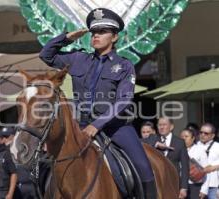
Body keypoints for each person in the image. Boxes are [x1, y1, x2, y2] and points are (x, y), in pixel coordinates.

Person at [39, 7, 156, 199]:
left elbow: (124, 100)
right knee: (45, 163)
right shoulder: (78, 58)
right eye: (93, 32)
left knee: (143, 165)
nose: (96, 36)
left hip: (116, 127)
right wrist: (67, 37)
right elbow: (46, 55)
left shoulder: (124, 65)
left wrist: (97, 125)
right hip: (80, 126)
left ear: (115, 37)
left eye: (102, 32)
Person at [143, 117, 189, 199]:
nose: (161, 127)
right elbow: (140, 142)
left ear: (171, 127)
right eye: (159, 125)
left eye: (164, 125)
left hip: (173, 181)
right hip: (156, 182)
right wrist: (156, 144)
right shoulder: (152, 138)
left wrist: (184, 187)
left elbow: (185, 166)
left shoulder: (179, 142)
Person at [180, 128, 208, 199]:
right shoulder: (177, 150)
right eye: (182, 136)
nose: (183, 138)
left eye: (186, 136)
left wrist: (204, 189)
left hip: (196, 185)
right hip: (181, 186)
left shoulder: (199, 150)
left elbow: (206, 170)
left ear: (193, 138)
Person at [196, 123, 219, 199]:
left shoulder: (217, 146)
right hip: (198, 184)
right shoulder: (195, 146)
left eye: (206, 133)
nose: (202, 135)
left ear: (212, 135)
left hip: (213, 185)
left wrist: (214, 167)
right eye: (201, 132)